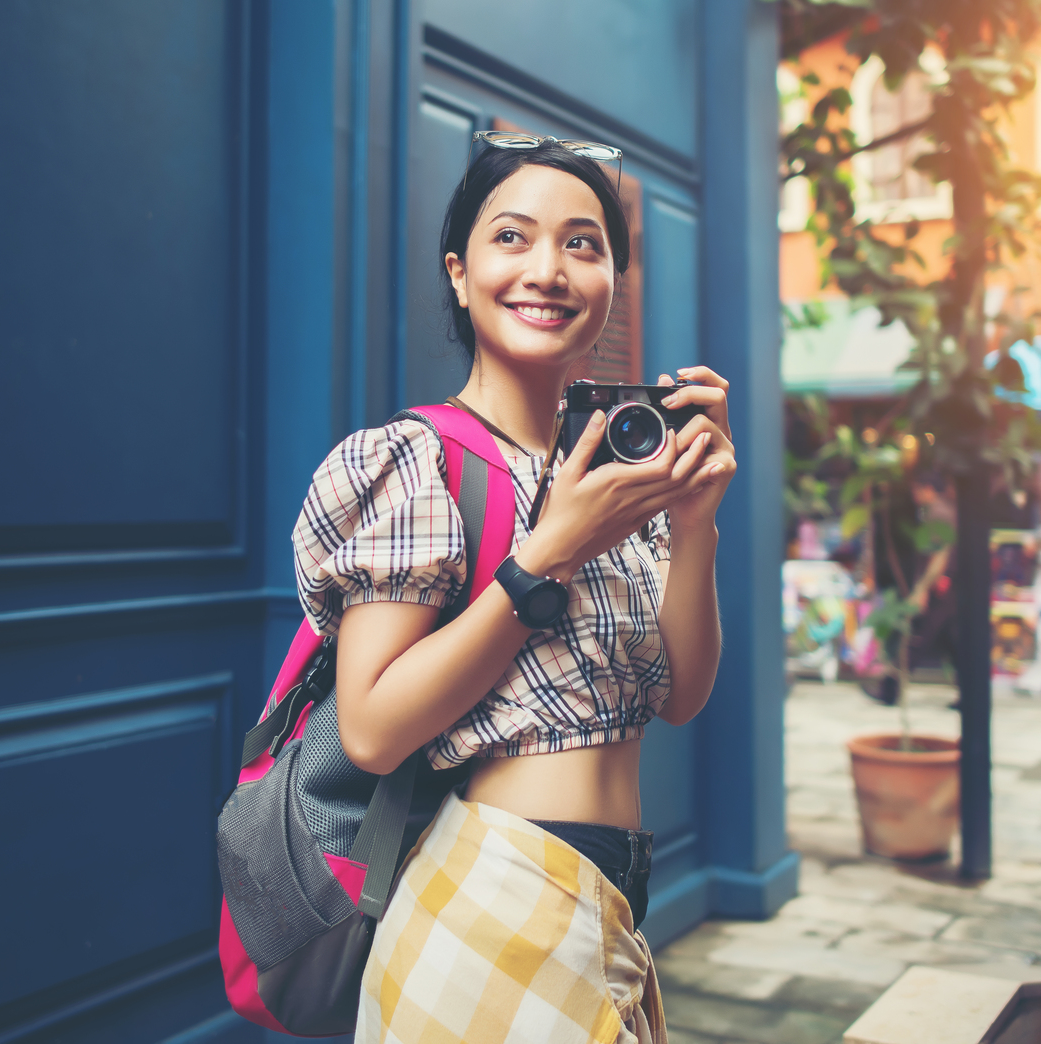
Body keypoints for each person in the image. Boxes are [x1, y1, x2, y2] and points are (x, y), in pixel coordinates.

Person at [292, 136, 735, 1043]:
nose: (549, 270)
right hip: (490, 894)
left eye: (583, 245)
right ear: (459, 273)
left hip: (609, 900)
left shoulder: (620, 470)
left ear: (612, 278)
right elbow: (372, 728)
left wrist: (695, 522)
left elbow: (684, 697)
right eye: (512, 238)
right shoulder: (418, 463)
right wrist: (550, 552)